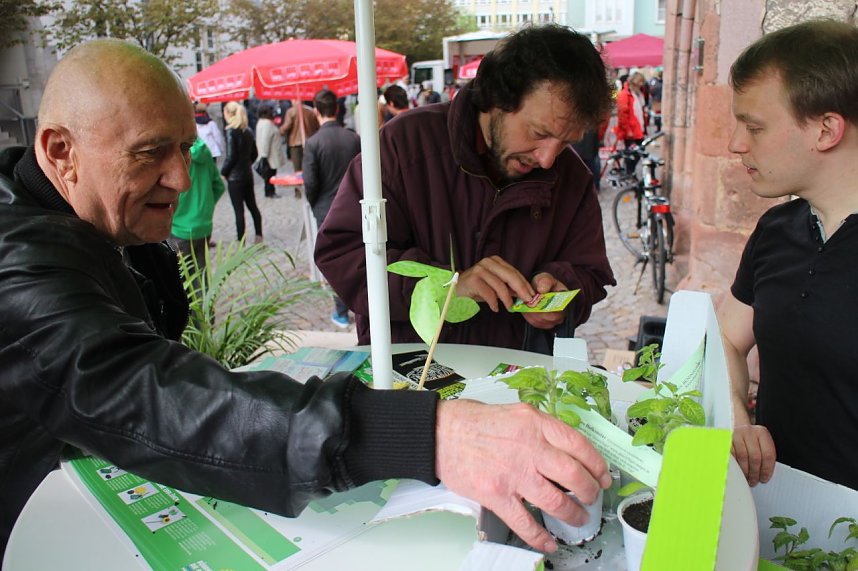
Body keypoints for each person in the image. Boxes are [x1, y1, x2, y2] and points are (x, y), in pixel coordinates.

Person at [0, 38, 612, 558]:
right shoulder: (17, 260)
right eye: (148, 154)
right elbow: (142, 391)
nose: (184, 181)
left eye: (186, 149)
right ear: (60, 151)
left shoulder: (108, 222)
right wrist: (428, 435)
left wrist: (565, 286)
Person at [315, 25, 616, 351]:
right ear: (498, 98)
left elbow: (590, 273)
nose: (547, 159)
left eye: (566, 142)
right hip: (412, 377)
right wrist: (447, 286)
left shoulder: (571, 176)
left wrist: (564, 289)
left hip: (515, 380)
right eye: (539, 133)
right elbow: (343, 255)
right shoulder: (402, 146)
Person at [717, 19, 858, 491]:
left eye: (754, 126)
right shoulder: (777, 229)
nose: (736, 144)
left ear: (826, 130)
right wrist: (737, 414)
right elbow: (727, 338)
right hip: (776, 513)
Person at [302, 89, 361, 329]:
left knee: (336, 261)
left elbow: (311, 183)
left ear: (316, 111)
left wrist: (315, 203)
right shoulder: (353, 138)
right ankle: (358, 305)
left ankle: (341, 310)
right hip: (354, 206)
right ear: (336, 109)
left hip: (326, 209)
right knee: (358, 258)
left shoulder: (313, 142)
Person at [168, 136, 225, 288]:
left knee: (180, 282)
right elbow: (219, 186)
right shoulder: (205, 151)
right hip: (203, 225)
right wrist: (204, 208)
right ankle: (206, 312)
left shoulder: (174, 153)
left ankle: (190, 312)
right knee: (202, 275)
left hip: (179, 228)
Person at [221, 100, 263, 243]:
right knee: (252, 206)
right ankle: (259, 235)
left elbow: (231, 156)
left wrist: (223, 172)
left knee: (239, 210)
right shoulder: (247, 130)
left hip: (235, 178)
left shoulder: (231, 132)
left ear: (228, 114)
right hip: (247, 174)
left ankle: (241, 241)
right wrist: (246, 163)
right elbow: (255, 154)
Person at [279, 98, 320, 174]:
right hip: (310, 142)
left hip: (295, 144)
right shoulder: (310, 111)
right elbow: (317, 126)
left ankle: (299, 185)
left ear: (294, 100)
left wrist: (280, 130)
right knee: (310, 167)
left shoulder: (291, 111)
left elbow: (286, 127)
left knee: (298, 170)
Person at [255, 103, 284, 198]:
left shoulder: (262, 122)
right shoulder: (267, 124)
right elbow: (265, 140)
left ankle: (270, 191)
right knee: (270, 174)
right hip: (270, 154)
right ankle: (270, 191)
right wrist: (264, 154)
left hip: (268, 153)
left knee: (269, 174)